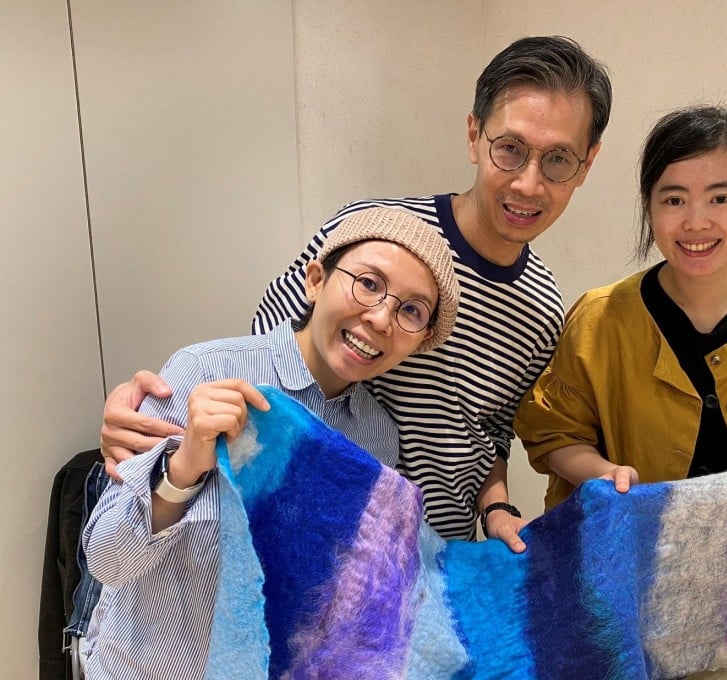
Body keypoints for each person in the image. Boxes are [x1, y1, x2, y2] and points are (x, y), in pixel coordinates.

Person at [97, 35, 612, 550]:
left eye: (558, 160)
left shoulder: (544, 308)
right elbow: (263, 367)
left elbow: (493, 433)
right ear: (475, 135)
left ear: (586, 165)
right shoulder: (369, 237)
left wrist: (496, 506)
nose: (528, 183)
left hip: (435, 557)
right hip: (311, 546)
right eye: (511, 149)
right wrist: (156, 421)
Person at [79, 208, 460, 680]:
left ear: (420, 340)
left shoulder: (377, 436)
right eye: (368, 283)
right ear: (316, 280)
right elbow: (107, 558)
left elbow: (340, 597)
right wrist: (183, 468)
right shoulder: (206, 373)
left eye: (411, 310)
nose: (381, 317)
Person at [514, 105, 727, 510]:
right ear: (649, 208)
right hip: (627, 556)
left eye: (720, 198)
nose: (696, 222)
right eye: (674, 199)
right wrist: (603, 472)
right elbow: (554, 434)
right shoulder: (600, 319)